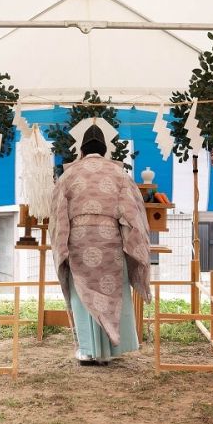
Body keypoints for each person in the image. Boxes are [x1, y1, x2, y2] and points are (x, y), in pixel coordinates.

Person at [50, 123, 151, 365]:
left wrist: (61, 244)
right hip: (110, 240)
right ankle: (111, 351)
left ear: (81, 151)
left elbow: (57, 215)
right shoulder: (119, 174)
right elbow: (133, 214)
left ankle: (87, 351)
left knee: (82, 292)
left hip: (78, 240)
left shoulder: (68, 175)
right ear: (106, 151)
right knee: (111, 289)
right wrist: (132, 244)